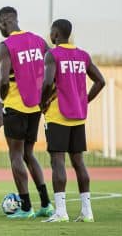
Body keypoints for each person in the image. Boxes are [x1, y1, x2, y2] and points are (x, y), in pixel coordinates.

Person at [40, 19, 105, 223]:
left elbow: (47, 82)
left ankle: (61, 212)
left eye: (51, 32)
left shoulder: (53, 54)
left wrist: (42, 103)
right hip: (77, 116)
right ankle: (87, 212)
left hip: (57, 115)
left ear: (56, 34)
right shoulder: (83, 55)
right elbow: (100, 81)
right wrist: (84, 100)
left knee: (57, 161)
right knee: (78, 162)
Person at [0, 6, 53, 218]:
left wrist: (2, 98)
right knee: (29, 154)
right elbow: (52, 68)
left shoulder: (6, 45)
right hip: (35, 107)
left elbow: (3, 80)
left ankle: (27, 207)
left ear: (3, 22)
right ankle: (46, 204)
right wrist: (46, 98)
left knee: (16, 156)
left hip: (15, 106)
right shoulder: (39, 41)